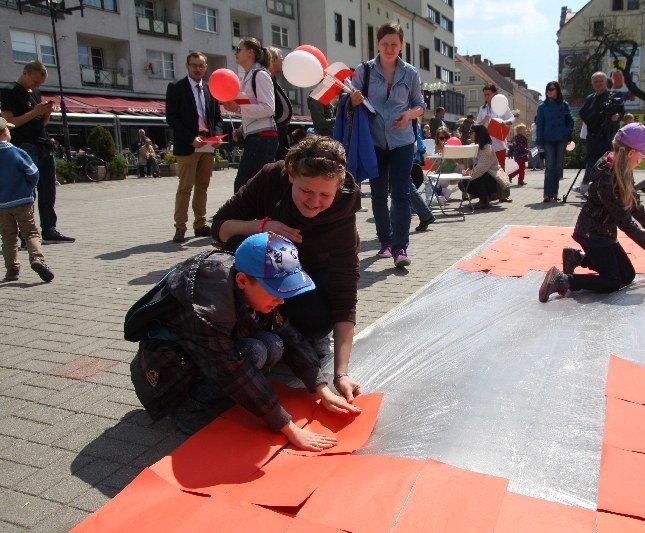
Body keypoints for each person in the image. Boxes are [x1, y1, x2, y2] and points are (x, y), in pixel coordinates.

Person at [127, 231, 360, 447]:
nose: (282, 300)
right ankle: (189, 411)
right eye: (276, 291)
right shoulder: (208, 307)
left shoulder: (248, 283)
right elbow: (232, 371)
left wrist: (320, 387)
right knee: (255, 351)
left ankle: (218, 400)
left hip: (202, 359)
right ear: (242, 281)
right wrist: (287, 426)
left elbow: (287, 333)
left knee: (273, 344)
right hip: (169, 381)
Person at [210, 136, 363, 404]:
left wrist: (341, 372)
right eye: (306, 191)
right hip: (266, 278)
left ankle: (295, 337)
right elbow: (220, 227)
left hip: (306, 282)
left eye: (326, 194)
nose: (315, 202)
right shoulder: (270, 178)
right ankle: (251, 326)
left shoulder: (343, 212)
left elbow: (345, 290)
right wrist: (261, 227)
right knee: (236, 245)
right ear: (291, 174)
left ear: (338, 188)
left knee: (318, 314)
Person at [539, 123, 645, 302]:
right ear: (631, 153)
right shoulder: (609, 177)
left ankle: (577, 258)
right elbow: (624, 221)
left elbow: (633, 203)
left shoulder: (623, 169)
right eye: (642, 155)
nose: (642, 160)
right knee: (612, 282)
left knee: (627, 275)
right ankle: (563, 280)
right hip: (593, 236)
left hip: (603, 234)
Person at [349, 22, 426, 268]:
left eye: (394, 44)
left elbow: (420, 105)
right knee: (379, 194)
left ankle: (400, 248)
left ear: (401, 45)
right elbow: (350, 100)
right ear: (378, 45)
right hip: (373, 141)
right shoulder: (365, 70)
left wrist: (410, 115)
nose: (389, 49)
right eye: (385, 44)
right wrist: (353, 99)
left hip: (402, 141)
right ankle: (385, 241)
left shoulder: (411, 73)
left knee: (401, 193)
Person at [1, 60, 75, 243]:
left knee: (48, 191)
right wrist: (35, 111)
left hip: (43, 145)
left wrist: (46, 114)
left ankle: (49, 230)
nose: (36, 86)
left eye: (39, 84)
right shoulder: (10, 91)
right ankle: (27, 234)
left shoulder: (34, 93)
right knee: (28, 193)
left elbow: (40, 124)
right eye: (35, 81)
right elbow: (9, 122)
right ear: (25, 73)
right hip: (25, 146)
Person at [165, 52, 223, 243]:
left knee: (203, 187)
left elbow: (217, 118)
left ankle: (200, 224)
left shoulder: (210, 89)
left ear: (206, 67)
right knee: (185, 188)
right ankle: (180, 227)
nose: (198, 69)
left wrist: (216, 135)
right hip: (188, 145)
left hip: (208, 145)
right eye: (194, 65)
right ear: (187, 66)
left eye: (201, 66)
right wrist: (190, 138)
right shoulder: (176, 88)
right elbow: (172, 118)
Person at [0, 117, 54, 283]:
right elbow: (33, 172)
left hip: (1, 206)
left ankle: (12, 269)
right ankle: (37, 259)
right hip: (22, 200)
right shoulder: (16, 152)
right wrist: (29, 187)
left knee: (8, 237)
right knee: (30, 232)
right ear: (4, 132)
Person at [224, 37, 279, 193]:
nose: (235, 53)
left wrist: (239, 109)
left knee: (245, 186)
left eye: (238, 49)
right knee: (253, 186)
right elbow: (255, 108)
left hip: (263, 137)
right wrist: (242, 129)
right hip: (257, 136)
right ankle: (260, 215)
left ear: (250, 52)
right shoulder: (249, 76)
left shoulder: (259, 74)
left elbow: (268, 108)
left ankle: (257, 216)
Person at [575, 72, 622, 193]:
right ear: (592, 84)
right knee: (592, 161)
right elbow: (582, 112)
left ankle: (609, 187)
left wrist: (617, 116)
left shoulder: (614, 95)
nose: (598, 84)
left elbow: (621, 111)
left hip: (608, 135)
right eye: (596, 82)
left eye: (601, 81)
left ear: (606, 81)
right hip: (593, 135)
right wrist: (591, 122)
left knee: (608, 162)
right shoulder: (590, 98)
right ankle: (588, 185)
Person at [536, 81, 574, 202]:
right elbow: (539, 125)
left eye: (552, 89)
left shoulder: (564, 105)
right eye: (548, 89)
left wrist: (566, 132)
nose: (549, 91)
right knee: (550, 166)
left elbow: (571, 121)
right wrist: (539, 142)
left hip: (561, 139)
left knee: (558, 167)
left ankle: (555, 192)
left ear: (557, 90)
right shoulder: (542, 107)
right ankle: (547, 194)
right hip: (548, 140)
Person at [461, 124, 511, 209]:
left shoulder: (487, 147)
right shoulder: (473, 146)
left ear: (478, 134)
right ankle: (487, 196)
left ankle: (484, 200)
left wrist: (469, 174)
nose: (469, 134)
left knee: (477, 175)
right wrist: (467, 171)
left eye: (471, 132)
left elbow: (481, 168)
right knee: (462, 183)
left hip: (495, 181)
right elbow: (470, 163)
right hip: (485, 177)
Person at [476, 84, 514, 170]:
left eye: (488, 94)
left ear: (494, 93)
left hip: (498, 143)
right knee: (487, 170)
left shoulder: (501, 105)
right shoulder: (483, 108)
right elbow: (477, 124)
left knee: (500, 169)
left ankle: (502, 184)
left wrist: (504, 122)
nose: (486, 97)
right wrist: (483, 121)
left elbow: (512, 119)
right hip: (485, 143)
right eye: (485, 95)